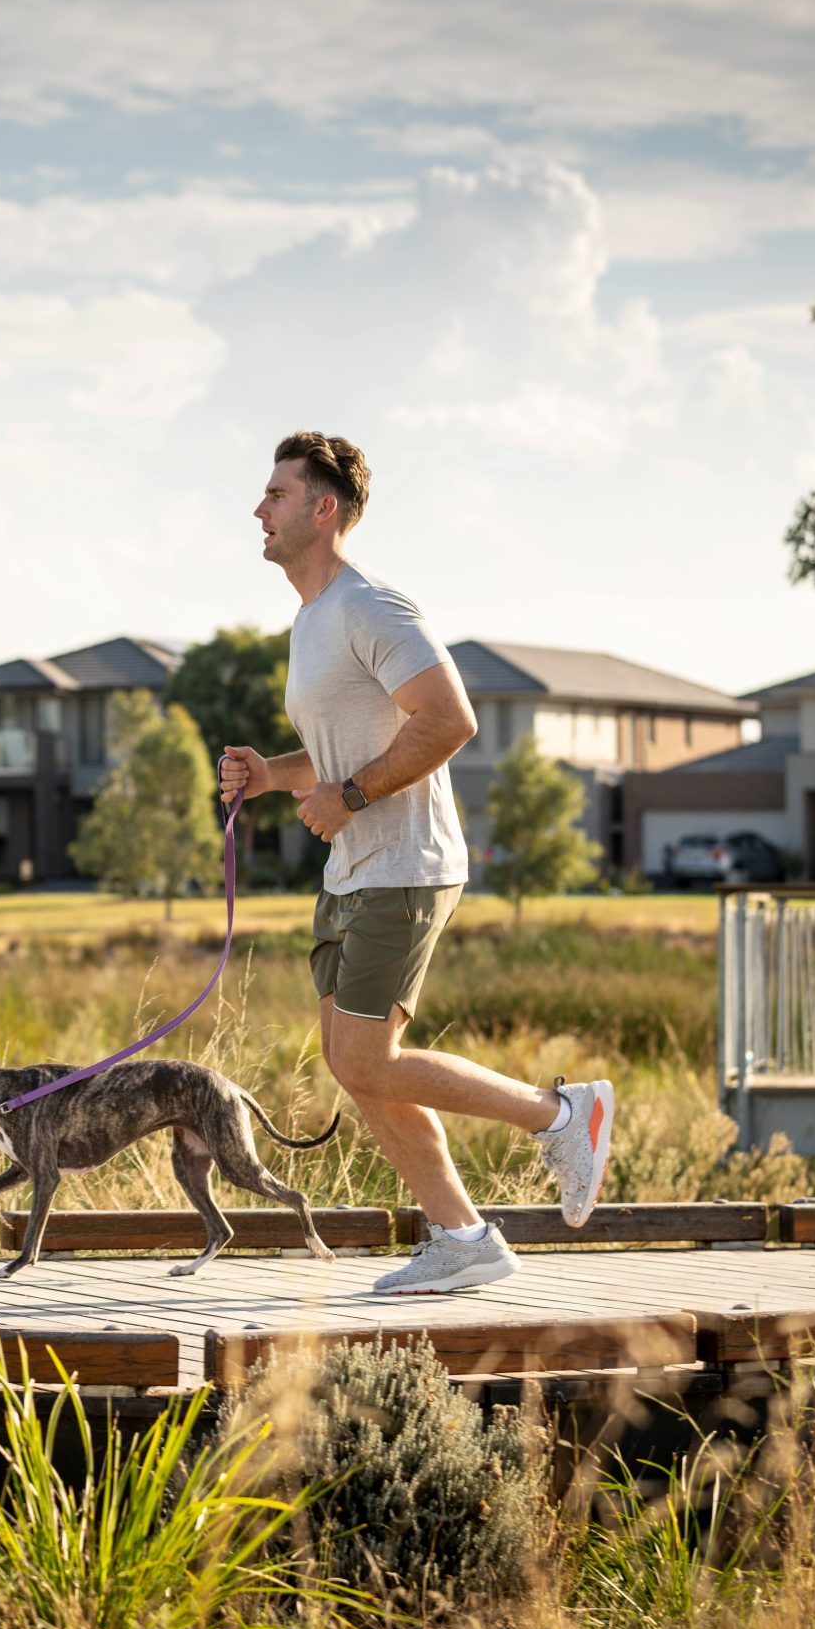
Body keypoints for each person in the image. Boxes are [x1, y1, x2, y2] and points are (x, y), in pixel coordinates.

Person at [217, 430, 613, 1294]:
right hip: (353, 867)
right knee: (352, 1058)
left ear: (325, 510)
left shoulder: (370, 606)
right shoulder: (312, 619)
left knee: (366, 1060)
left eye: (277, 494)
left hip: (405, 860)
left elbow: (448, 719)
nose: (259, 508)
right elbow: (342, 753)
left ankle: (563, 1114)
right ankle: (462, 1235)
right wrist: (270, 774)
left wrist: (350, 797)